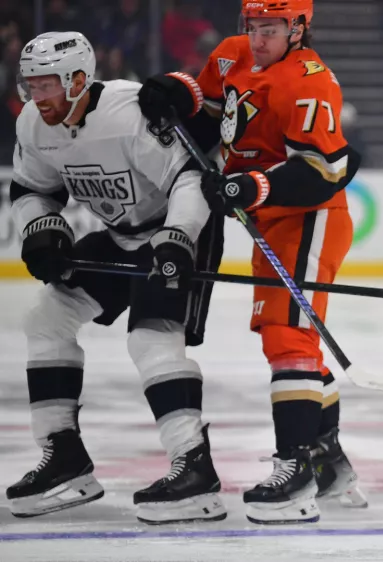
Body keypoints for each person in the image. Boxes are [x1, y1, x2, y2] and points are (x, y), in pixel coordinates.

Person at [135, 0, 365, 524]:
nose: (258, 37)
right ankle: (330, 466)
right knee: (284, 336)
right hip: (269, 219)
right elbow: (211, 107)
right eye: (254, 26)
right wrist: (175, 88)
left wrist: (249, 184)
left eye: (272, 28)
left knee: (288, 337)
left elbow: (324, 171)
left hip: (311, 217)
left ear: (299, 27)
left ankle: (297, 468)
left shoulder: (311, 81)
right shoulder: (232, 54)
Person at [5, 31, 226, 524]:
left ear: (79, 80)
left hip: (181, 229)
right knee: (46, 321)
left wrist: (177, 237)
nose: (35, 98)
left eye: (46, 86)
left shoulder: (128, 114)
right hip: (122, 234)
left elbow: (190, 178)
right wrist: (43, 227)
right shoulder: (33, 125)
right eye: (30, 86)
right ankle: (65, 458)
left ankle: (196, 468)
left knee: (151, 340)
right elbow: (30, 188)